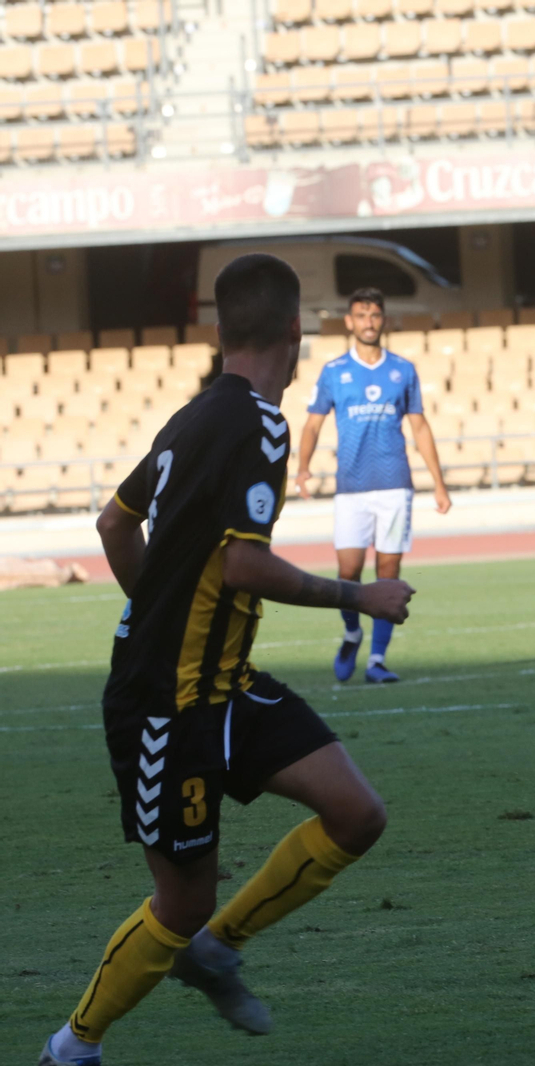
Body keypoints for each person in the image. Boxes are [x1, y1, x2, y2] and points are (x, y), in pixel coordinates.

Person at [40, 255, 415, 1066]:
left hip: (224, 687)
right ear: (295, 330)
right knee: (176, 903)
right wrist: (361, 597)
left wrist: (154, 610)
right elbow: (243, 566)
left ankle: (217, 947)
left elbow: (114, 525)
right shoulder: (259, 424)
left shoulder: (191, 417)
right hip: (165, 706)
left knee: (356, 813)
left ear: (219, 329)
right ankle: (72, 1047)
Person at [295, 286, 450, 685]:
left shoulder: (403, 369)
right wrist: (303, 468)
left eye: (375, 315)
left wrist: (439, 482)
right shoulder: (333, 372)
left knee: (388, 571)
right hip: (351, 486)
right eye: (361, 315)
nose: (368, 322)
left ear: (384, 320)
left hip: (394, 484)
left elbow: (419, 424)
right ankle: (351, 633)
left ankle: (377, 661)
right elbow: (313, 423)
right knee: (348, 572)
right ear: (349, 322)